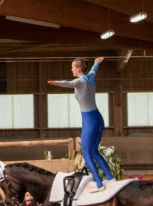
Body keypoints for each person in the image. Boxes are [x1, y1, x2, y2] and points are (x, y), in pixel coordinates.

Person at [48, 56, 113, 192]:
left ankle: (99, 184)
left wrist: (55, 82)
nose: (71, 69)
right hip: (98, 118)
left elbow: (68, 83)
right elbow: (94, 69)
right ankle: (110, 177)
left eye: (72, 67)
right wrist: (96, 62)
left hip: (89, 120)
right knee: (94, 151)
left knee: (86, 153)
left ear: (78, 69)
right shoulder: (90, 77)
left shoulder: (80, 81)